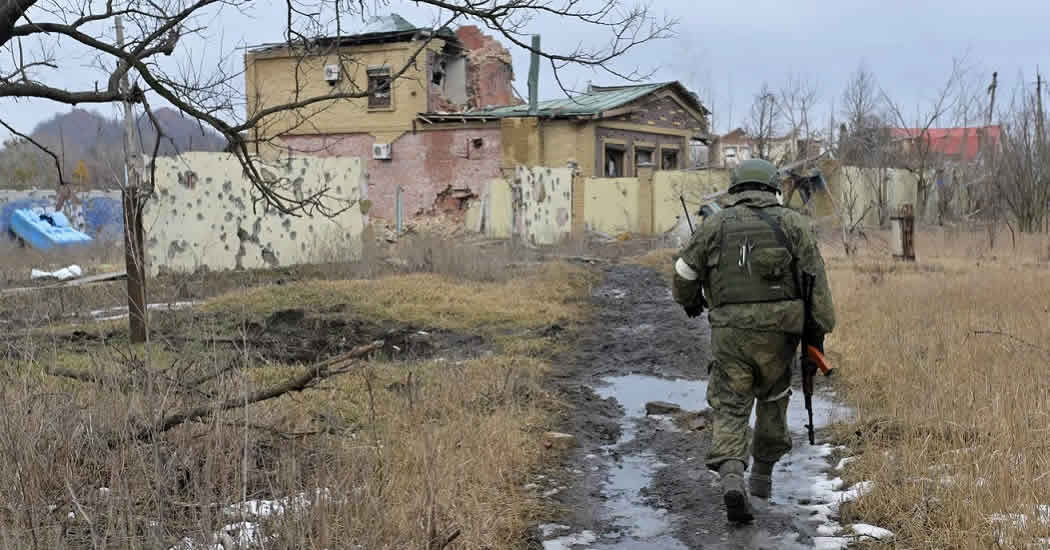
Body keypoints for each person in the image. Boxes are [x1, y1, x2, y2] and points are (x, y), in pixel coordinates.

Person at [671, 158, 835, 523]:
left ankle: (731, 474)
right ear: (772, 187)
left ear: (736, 188)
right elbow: (816, 287)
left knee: (730, 404)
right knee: (774, 399)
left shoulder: (715, 224)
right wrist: (817, 337)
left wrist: (692, 301)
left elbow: (683, 271)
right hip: (779, 337)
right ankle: (761, 479)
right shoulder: (794, 224)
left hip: (730, 335)